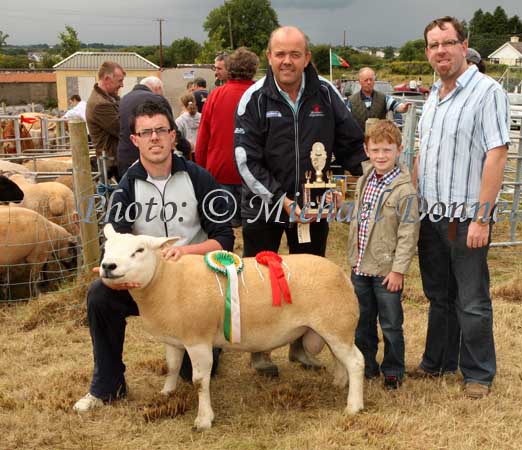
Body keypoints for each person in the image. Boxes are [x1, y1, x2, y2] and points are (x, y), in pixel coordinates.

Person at [73, 100, 234, 412]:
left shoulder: (200, 179)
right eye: (146, 132)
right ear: (135, 140)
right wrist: (116, 276)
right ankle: (107, 385)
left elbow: (224, 239)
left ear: (174, 136)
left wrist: (185, 251)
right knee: (100, 296)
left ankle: (203, 340)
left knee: (196, 374)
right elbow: (116, 238)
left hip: (194, 288)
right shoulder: (126, 188)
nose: (155, 138)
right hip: (146, 286)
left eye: (161, 130)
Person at [234, 26, 365, 377]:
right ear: (269, 56)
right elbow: (245, 160)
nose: (287, 61)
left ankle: (300, 348)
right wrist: (280, 200)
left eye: (295, 54)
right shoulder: (255, 98)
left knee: (309, 279)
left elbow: (351, 142)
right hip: (265, 206)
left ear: (307, 57)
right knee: (260, 279)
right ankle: (260, 351)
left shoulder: (325, 93)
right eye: (280, 54)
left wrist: (374, 178)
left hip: (313, 207)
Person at [414, 16, 510, 398]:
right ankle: (438, 361)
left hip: (466, 216)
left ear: (463, 45)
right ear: (428, 52)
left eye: (447, 43)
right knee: (440, 296)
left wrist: (481, 218)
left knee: (471, 299)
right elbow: (424, 154)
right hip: (431, 215)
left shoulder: (487, 92)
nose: (441, 51)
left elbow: (496, 154)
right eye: (434, 45)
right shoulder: (432, 98)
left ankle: (478, 373)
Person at [334, 119, 419, 390]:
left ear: (399, 150)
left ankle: (393, 369)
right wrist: (341, 207)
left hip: (386, 271)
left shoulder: (405, 190)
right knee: (363, 321)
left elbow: (408, 234)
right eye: (376, 150)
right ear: (366, 150)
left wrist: (398, 270)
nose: (381, 156)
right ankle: (367, 365)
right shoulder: (365, 179)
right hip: (360, 266)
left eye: (387, 150)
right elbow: (362, 218)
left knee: (392, 323)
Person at [195, 47, 259, 228]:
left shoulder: (215, 95)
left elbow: (203, 137)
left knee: (222, 229)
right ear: (253, 68)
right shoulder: (260, 94)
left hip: (220, 170)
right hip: (253, 173)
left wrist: (200, 170)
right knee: (254, 230)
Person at [117, 76, 191, 177]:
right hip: (151, 162)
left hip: (125, 158)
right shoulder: (157, 99)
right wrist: (186, 147)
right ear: (158, 89)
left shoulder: (123, 100)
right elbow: (171, 130)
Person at [86, 61, 125, 180]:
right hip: (114, 163)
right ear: (107, 79)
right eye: (120, 81)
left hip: (115, 160)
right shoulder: (100, 104)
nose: (122, 85)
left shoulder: (108, 98)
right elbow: (122, 129)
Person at [347, 67, 410, 132]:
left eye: (371, 79)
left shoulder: (383, 98)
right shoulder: (351, 100)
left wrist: (404, 107)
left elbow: (396, 106)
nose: (369, 82)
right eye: (366, 80)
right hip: (359, 140)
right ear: (360, 81)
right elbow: (346, 120)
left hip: (378, 140)